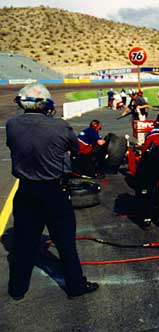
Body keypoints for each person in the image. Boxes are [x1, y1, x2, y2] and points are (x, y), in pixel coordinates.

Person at [5, 83, 98, 300]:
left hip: (26, 191)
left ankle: (17, 289)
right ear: (46, 104)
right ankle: (75, 286)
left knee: (24, 244)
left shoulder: (12, 124)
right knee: (65, 243)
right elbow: (76, 149)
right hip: (54, 191)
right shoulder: (60, 126)